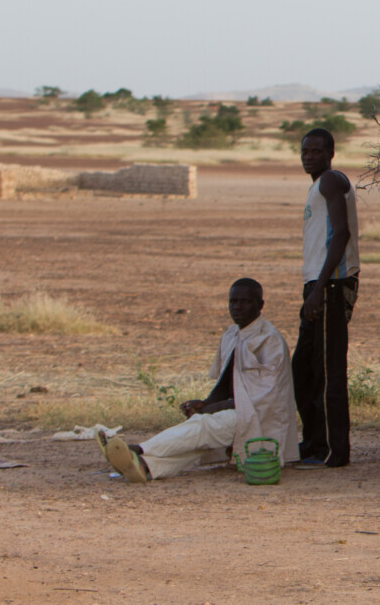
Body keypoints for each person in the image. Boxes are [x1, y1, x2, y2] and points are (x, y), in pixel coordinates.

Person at [98, 278, 298, 481]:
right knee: (200, 434)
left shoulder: (270, 340)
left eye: (245, 302)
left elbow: (265, 399)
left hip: (260, 418)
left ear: (260, 305)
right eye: (233, 301)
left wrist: (214, 408)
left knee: (203, 426)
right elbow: (225, 384)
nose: (237, 307)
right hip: (239, 411)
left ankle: (138, 449)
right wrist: (206, 403)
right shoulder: (231, 335)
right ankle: (145, 466)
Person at [292, 127, 360, 468]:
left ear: (330, 153)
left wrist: (320, 289)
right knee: (303, 370)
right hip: (318, 285)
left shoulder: (331, 181)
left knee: (327, 371)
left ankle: (333, 450)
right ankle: (313, 442)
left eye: (316, 151)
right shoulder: (316, 186)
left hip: (331, 285)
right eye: (305, 151)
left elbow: (342, 234)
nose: (309, 157)